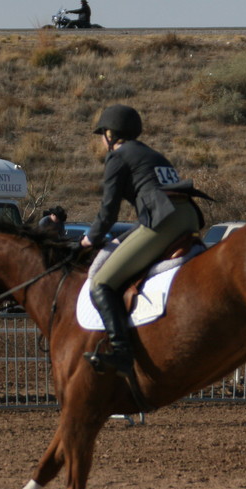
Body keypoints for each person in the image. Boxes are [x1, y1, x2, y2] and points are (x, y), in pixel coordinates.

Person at [81, 103, 211, 376]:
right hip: (187, 216)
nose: (103, 139)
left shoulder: (118, 156)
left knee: (102, 282)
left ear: (110, 134)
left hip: (165, 221)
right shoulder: (152, 154)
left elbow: (108, 209)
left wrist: (90, 239)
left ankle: (121, 353)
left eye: (103, 133)